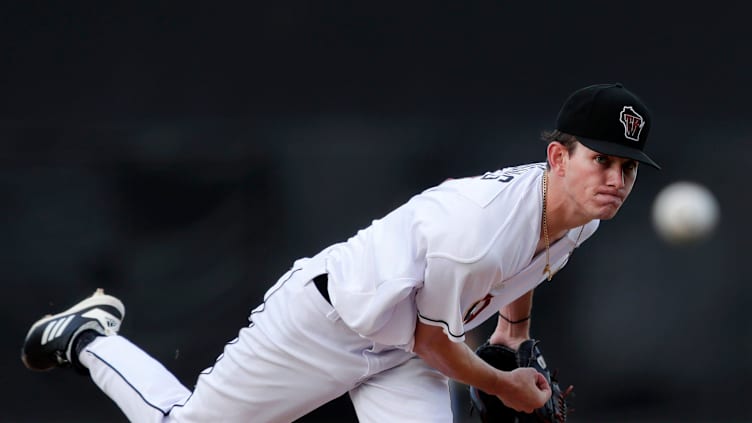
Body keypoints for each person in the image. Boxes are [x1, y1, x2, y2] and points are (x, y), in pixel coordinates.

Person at [21, 82, 660, 422]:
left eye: (627, 167)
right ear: (558, 156)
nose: (614, 179)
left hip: (406, 346)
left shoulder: (581, 216)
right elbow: (437, 345)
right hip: (328, 324)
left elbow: (527, 265)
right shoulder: (479, 230)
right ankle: (85, 336)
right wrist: (505, 385)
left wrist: (514, 331)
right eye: (600, 160)